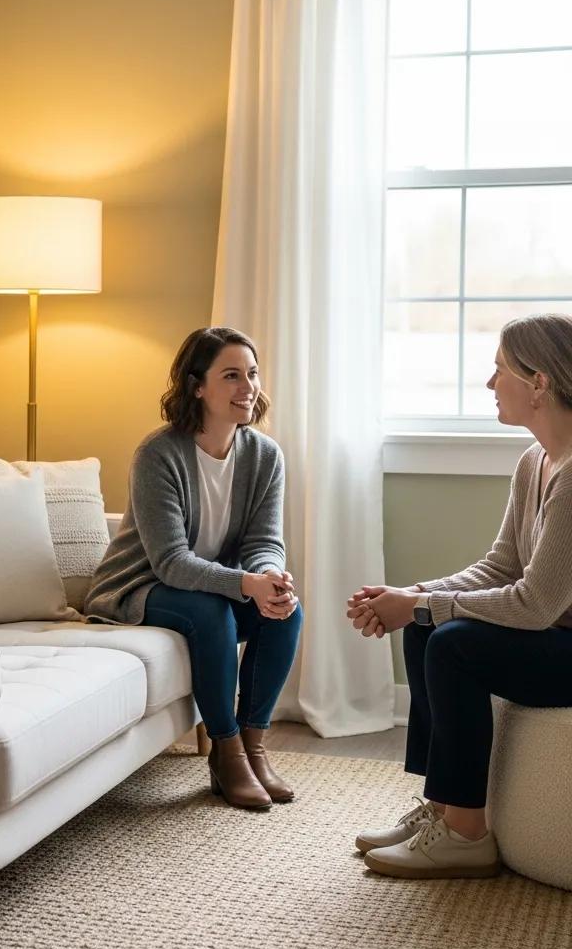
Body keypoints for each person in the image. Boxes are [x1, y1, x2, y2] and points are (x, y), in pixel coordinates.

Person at [347, 313, 572, 879]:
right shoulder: (535, 462)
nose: (490, 384)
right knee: (427, 627)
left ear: (540, 382)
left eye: (499, 371)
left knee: (451, 643)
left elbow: (534, 604)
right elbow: (500, 566)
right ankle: (445, 809)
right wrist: (412, 595)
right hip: (554, 636)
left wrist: (420, 604)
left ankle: (468, 835)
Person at [84, 326, 302, 810]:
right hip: (140, 586)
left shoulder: (264, 455)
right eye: (231, 376)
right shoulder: (159, 454)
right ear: (196, 385)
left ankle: (253, 746)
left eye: (252, 374)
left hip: (208, 585)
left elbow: (264, 541)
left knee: (287, 609)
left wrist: (268, 578)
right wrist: (245, 583)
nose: (248, 387)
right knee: (211, 614)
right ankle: (224, 752)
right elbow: (171, 563)